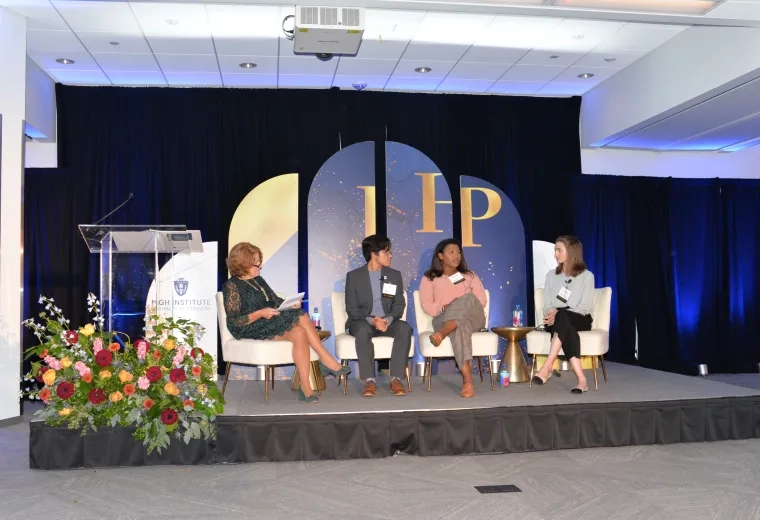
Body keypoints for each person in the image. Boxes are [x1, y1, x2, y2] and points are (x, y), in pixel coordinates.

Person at [222, 242, 349, 404]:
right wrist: (260, 313)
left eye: (259, 261)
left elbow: (275, 301)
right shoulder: (231, 286)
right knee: (301, 316)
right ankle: (325, 359)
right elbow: (234, 320)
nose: (260, 266)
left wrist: (290, 304)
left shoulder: (258, 280)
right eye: (256, 263)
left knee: (299, 332)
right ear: (243, 263)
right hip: (247, 326)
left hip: (267, 321)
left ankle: (306, 387)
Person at [344, 235, 413, 397]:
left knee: (404, 328)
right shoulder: (354, 277)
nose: (391, 256)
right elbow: (352, 309)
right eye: (386, 252)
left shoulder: (394, 275)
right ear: (374, 254)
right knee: (361, 329)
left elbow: (399, 305)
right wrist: (372, 320)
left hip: (387, 322)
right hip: (363, 321)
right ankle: (369, 380)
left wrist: (387, 320)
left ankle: (395, 378)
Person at [419, 239, 487, 398]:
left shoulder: (470, 276)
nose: (456, 256)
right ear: (440, 256)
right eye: (451, 252)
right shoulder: (430, 278)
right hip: (443, 318)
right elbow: (426, 304)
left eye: (458, 252)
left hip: (473, 318)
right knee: (459, 326)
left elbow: (481, 301)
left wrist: (459, 303)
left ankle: (442, 334)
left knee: (469, 298)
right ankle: (468, 382)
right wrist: (444, 307)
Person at [532, 235, 595, 394]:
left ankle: (547, 366)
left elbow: (585, 307)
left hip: (579, 318)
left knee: (563, 318)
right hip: (555, 320)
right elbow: (546, 304)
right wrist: (551, 312)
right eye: (555, 250)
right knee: (566, 328)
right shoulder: (550, 276)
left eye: (559, 250)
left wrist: (560, 312)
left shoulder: (587, 276)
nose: (555, 254)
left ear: (571, 251)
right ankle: (582, 380)